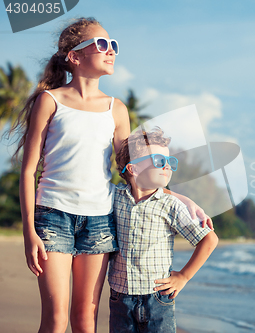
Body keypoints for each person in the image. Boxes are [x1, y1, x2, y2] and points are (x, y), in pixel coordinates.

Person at [11, 17, 212, 333]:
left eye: (113, 45)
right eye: (101, 44)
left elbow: (134, 170)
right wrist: (29, 231)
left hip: (100, 221)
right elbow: (28, 170)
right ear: (75, 57)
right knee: (55, 319)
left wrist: (179, 196)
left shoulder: (116, 109)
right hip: (52, 216)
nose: (111, 51)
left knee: (85, 319)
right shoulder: (50, 101)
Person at [109, 128, 218, 332]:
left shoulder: (171, 205)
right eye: (159, 160)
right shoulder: (115, 197)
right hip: (120, 298)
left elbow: (209, 240)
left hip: (157, 299)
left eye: (170, 162)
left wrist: (184, 276)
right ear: (133, 169)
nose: (167, 166)